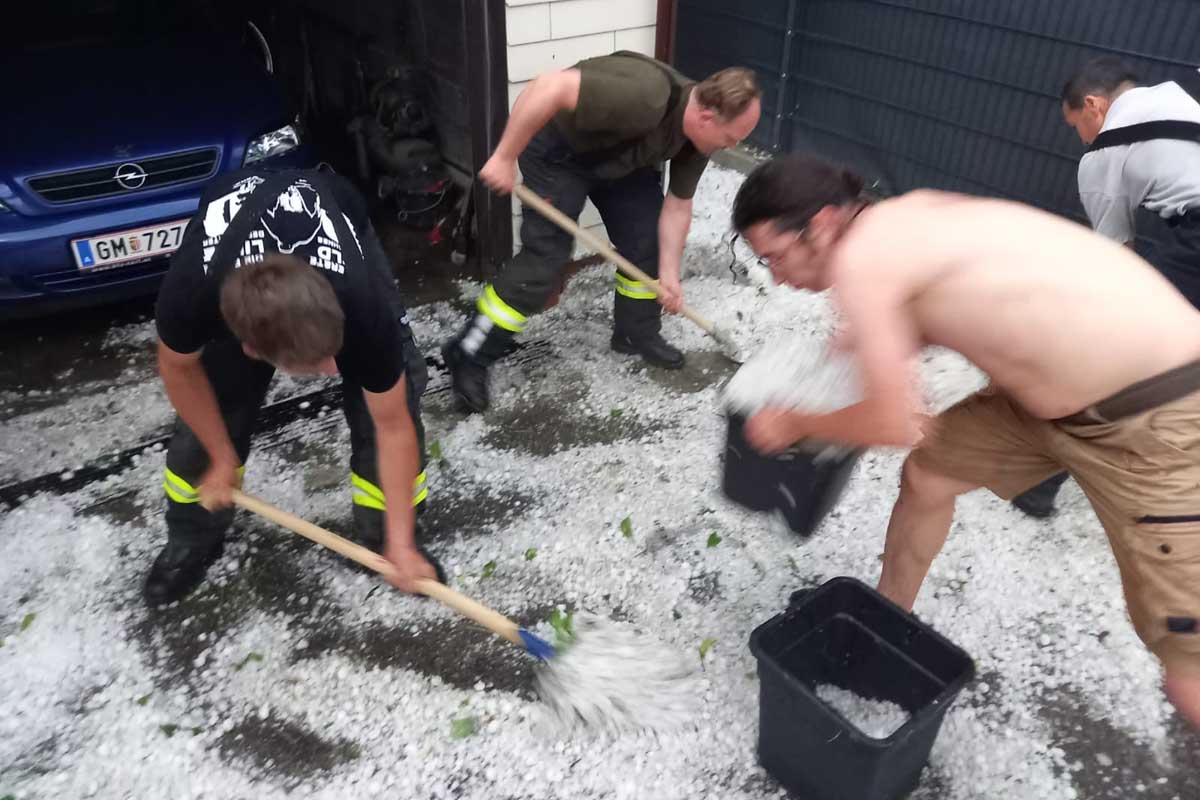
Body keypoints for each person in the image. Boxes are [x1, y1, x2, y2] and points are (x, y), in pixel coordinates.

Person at [731, 154, 1200, 728]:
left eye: (775, 257)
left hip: (1157, 412)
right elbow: (923, 310)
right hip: (1044, 401)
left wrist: (795, 424)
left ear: (823, 224)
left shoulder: (863, 264)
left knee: (1188, 666)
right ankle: (882, 625)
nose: (775, 277)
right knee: (929, 476)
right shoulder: (901, 218)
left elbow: (898, 422)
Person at [147, 167, 442, 606]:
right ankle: (192, 536)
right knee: (215, 406)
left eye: (330, 355)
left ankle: (387, 539)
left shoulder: (359, 303)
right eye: (314, 365)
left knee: (390, 392)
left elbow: (392, 425)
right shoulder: (193, 295)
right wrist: (222, 456)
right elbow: (178, 369)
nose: (330, 370)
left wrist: (402, 544)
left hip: (342, 214)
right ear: (250, 347)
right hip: (231, 250)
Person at [441, 50, 762, 413]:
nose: (731, 146)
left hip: (619, 162)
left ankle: (635, 330)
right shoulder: (645, 97)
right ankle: (469, 351)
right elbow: (548, 87)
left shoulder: (697, 139)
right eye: (731, 138)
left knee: (648, 239)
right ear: (707, 115)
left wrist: (670, 276)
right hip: (558, 155)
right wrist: (504, 156)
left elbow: (677, 207)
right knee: (544, 264)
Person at [1012, 57, 1200, 518]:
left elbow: (1115, 260)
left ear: (1094, 106)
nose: (1078, 137)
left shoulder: (1103, 154)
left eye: (1075, 123)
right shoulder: (1177, 101)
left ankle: (1039, 482)